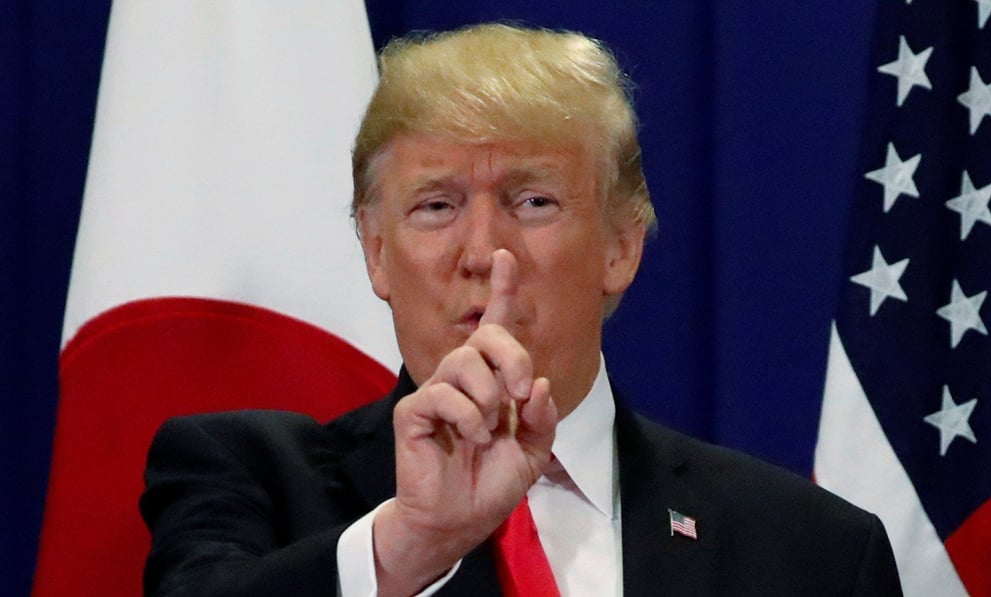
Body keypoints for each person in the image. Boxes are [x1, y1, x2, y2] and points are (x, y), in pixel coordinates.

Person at [141, 23, 903, 596]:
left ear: (620, 246)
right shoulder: (246, 480)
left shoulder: (815, 554)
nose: (483, 251)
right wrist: (413, 541)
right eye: (436, 205)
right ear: (376, 252)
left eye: (532, 201)